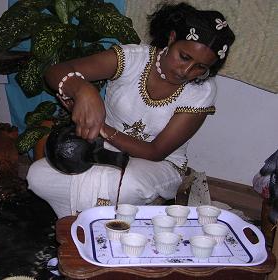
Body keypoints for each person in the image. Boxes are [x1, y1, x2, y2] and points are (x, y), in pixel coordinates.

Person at [27, 2, 235, 218]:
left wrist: (101, 128)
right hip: (103, 148)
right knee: (37, 175)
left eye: (201, 67)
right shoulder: (133, 59)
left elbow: (156, 151)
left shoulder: (202, 91)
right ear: (172, 38)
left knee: (128, 184)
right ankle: (84, 221)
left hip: (159, 164)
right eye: (184, 57)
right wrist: (82, 90)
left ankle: (89, 223)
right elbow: (55, 72)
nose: (187, 71)